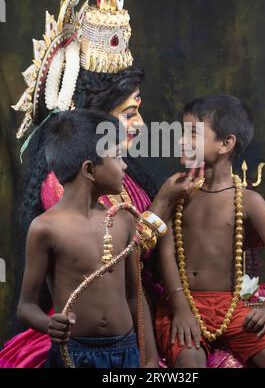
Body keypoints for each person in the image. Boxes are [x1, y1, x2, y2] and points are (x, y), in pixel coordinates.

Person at [1, 0, 200, 368]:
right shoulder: (61, 189)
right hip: (84, 337)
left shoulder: (122, 170)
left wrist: (177, 306)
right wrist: (160, 207)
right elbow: (111, 258)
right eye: (129, 114)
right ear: (92, 123)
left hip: (139, 318)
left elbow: (136, 285)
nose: (141, 125)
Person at [156, 95, 265, 368]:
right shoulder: (176, 192)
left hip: (229, 307)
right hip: (183, 302)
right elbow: (166, 252)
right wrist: (181, 309)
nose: (182, 140)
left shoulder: (248, 201)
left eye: (192, 134)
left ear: (226, 143)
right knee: (190, 362)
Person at [17, 108, 161, 368]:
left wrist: (149, 359)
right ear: (89, 169)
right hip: (73, 354)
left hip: (125, 351)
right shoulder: (45, 228)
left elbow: (134, 295)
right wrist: (48, 324)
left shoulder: (124, 220)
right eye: (117, 157)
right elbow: (26, 306)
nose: (125, 165)